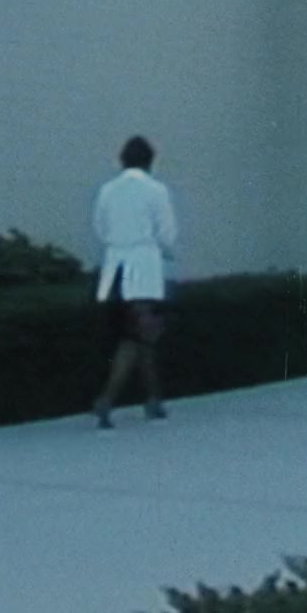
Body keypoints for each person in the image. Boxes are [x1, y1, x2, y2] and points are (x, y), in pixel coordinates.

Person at [90, 135, 177, 428]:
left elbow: (100, 228)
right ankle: (108, 399)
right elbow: (167, 233)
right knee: (138, 337)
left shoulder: (107, 190)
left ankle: (153, 400)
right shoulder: (156, 190)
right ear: (150, 162)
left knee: (139, 337)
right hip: (142, 271)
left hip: (113, 271)